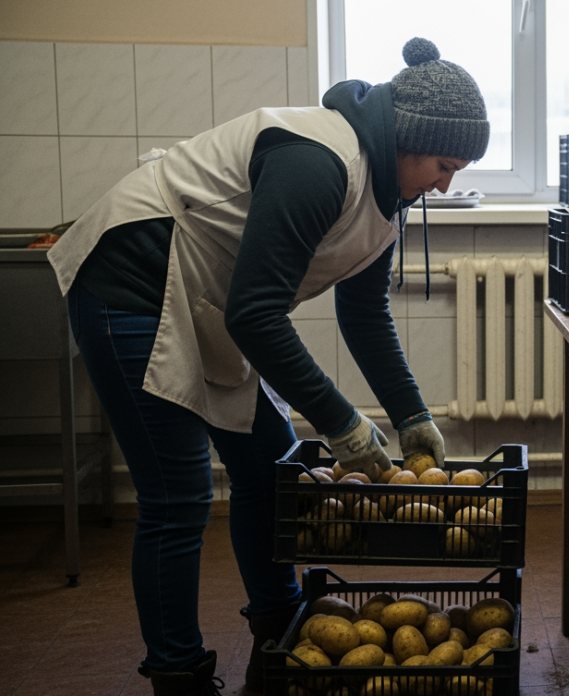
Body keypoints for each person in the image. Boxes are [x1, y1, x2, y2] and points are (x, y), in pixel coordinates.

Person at [47, 37, 487, 695]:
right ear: (410, 139)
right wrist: (342, 422)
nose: (445, 184)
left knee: (268, 468)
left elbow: (364, 317)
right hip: (131, 282)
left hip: (206, 298)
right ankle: (178, 671)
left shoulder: (387, 197)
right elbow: (256, 315)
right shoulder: (321, 162)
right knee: (178, 496)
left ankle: (279, 624)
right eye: (444, 165)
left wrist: (410, 415)